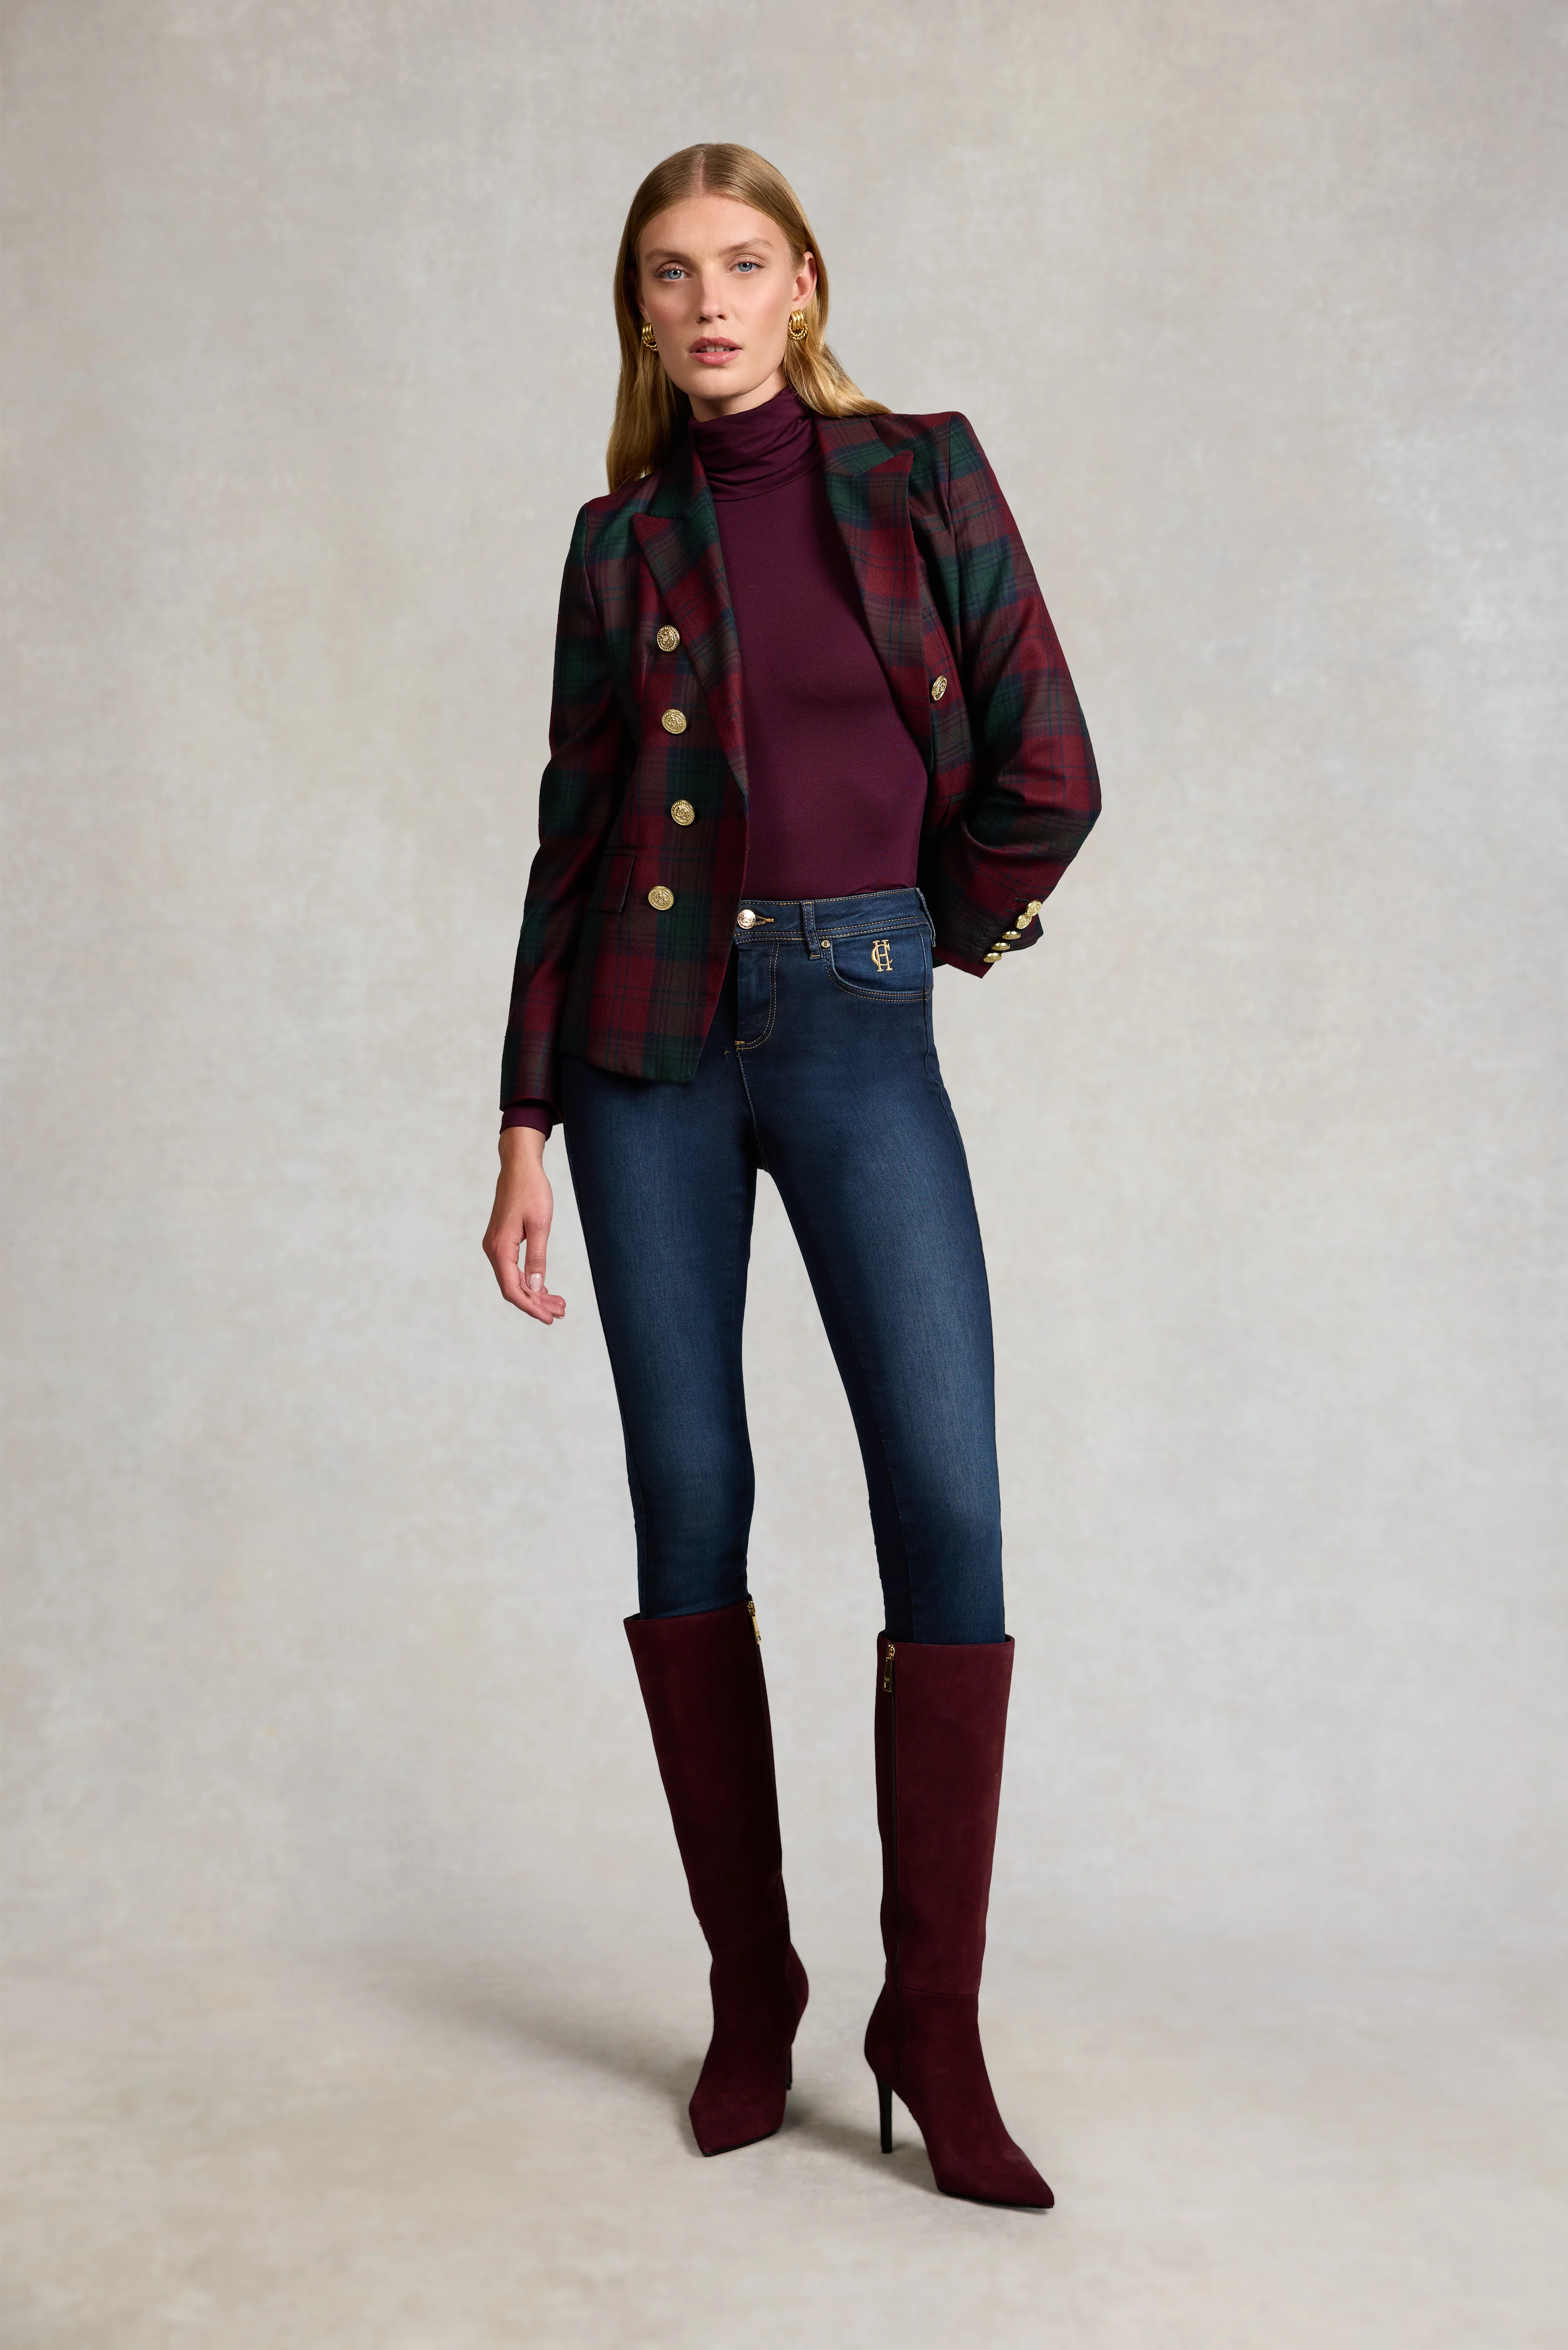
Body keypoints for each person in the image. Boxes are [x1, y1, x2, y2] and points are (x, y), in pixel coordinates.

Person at [483, 143, 1099, 2209]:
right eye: (670, 275)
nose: (709, 303)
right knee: (690, 1495)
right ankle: (752, 1988)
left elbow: (1048, 762)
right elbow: (574, 837)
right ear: (642, 312)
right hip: (641, 1049)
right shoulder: (619, 543)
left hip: (855, 1014)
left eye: (742, 264)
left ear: (805, 284)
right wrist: (523, 1127)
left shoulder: (921, 472)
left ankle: (935, 2019)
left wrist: (930, 930)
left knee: (948, 1497)